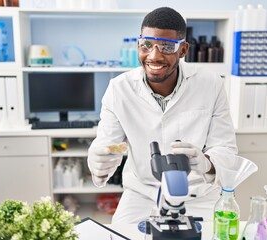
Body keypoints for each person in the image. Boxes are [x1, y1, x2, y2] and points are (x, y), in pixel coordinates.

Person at [87, 6, 238, 224]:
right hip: (142, 194)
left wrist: (206, 162)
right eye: (146, 45)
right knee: (120, 234)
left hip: (198, 195)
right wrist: (97, 160)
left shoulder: (211, 85)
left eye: (167, 47)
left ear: (183, 50)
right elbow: (107, 143)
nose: (154, 56)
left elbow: (225, 147)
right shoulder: (118, 88)